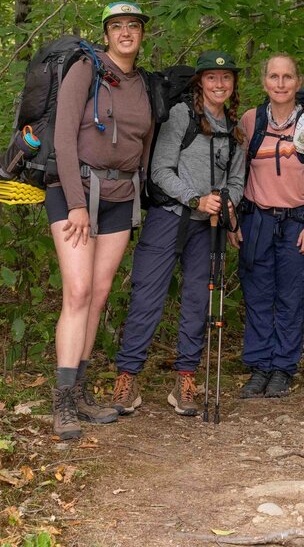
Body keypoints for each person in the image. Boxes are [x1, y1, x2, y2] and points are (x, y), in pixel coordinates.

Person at [111, 50, 245, 418]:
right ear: (200, 82)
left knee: (197, 303)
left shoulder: (235, 129)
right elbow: (160, 170)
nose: (219, 84)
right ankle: (127, 377)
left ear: (233, 85)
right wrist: (195, 199)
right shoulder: (182, 116)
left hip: (210, 229)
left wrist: (228, 203)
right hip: (169, 218)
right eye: (212, 78)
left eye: (226, 78)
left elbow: (236, 180)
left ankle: (185, 378)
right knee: (146, 297)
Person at [48, 1, 154, 440]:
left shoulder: (143, 84)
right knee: (77, 290)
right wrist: (75, 203)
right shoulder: (85, 70)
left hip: (120, 197)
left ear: (142, 34)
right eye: (117, 26)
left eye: (133, 25)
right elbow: (63, 137)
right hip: (75, 194)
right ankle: (63, 401)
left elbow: (145, 140)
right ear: (106, 34)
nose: (125, 32)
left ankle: (82, 391)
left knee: (99, 293)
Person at [237, 54, 304, 399]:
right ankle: (259, 367)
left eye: (287, 77)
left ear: (298, 82)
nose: (281, 83)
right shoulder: (250, 121)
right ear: (264, 81)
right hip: (257, 220)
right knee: (257, 297)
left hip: (298, 221)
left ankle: (283, 368)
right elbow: (235, 173)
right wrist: (232, 220)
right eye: (274, 76)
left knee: (291, 298)